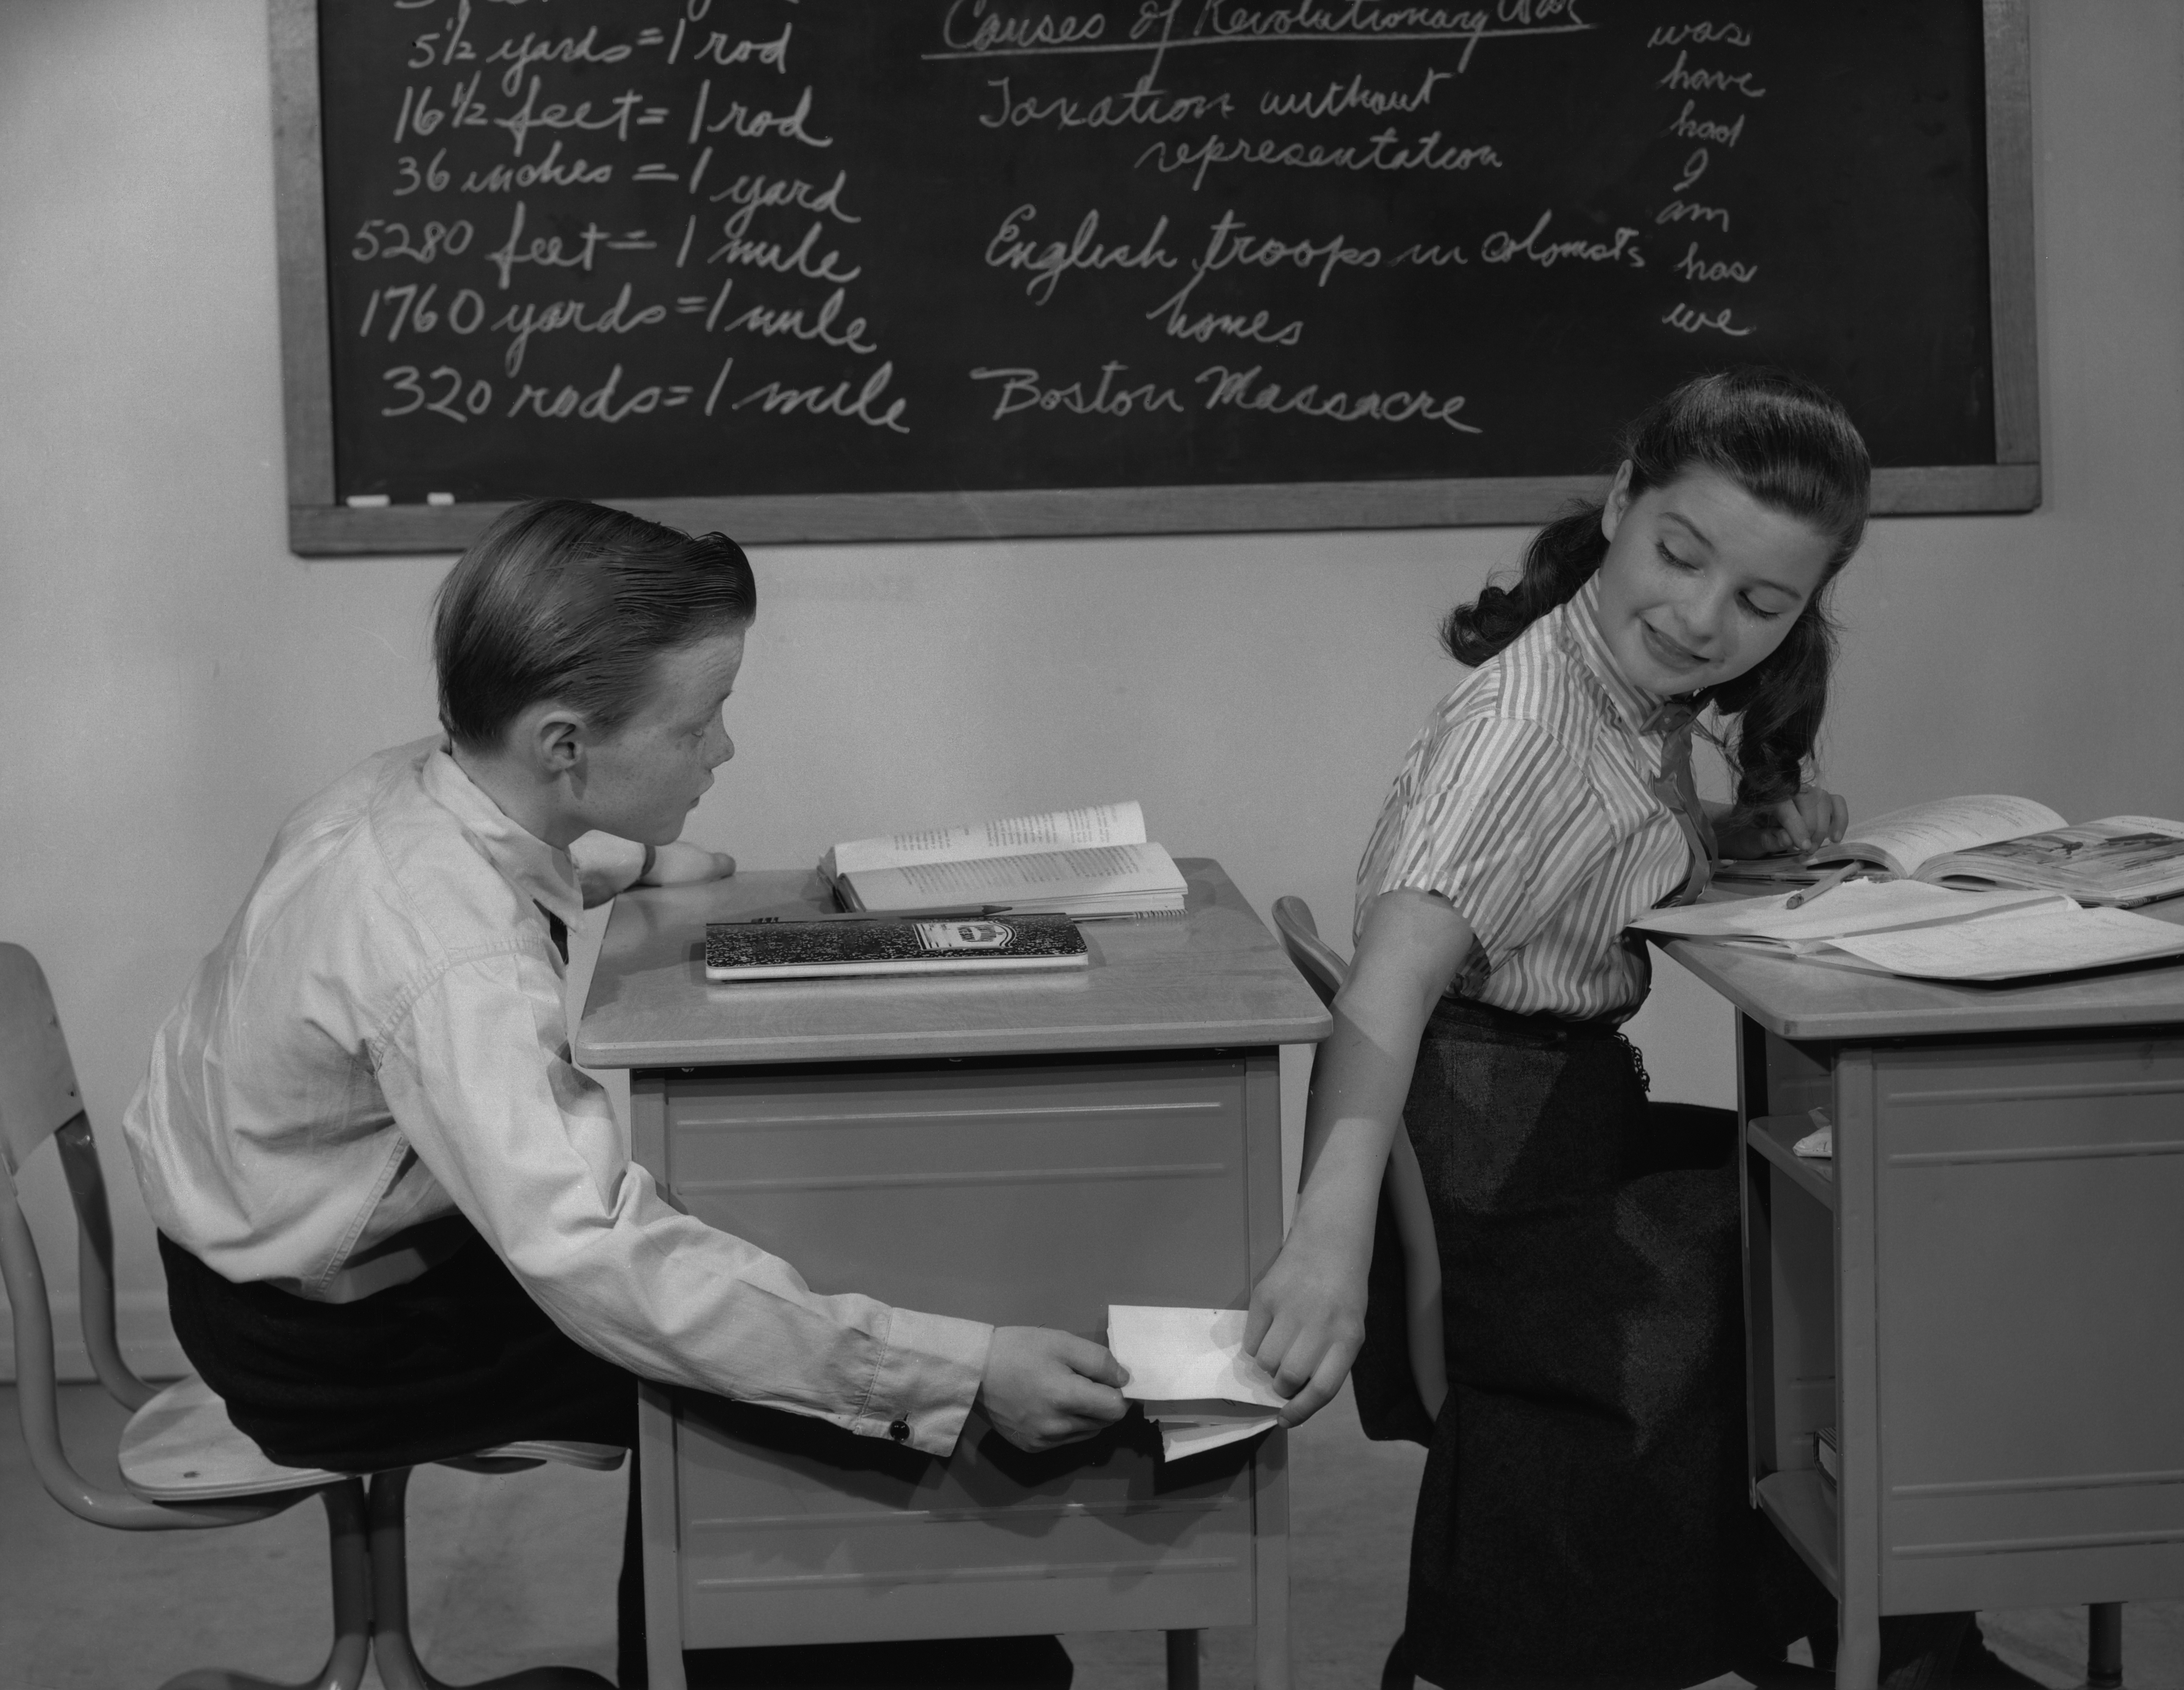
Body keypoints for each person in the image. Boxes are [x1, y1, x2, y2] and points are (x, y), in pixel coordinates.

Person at [123, 499, 1127, 1684]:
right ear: (564, 745)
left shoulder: (406, 791)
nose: (724, 753)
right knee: (753, 1379)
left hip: (256, 1264)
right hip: (329, 1342)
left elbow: (509, 857)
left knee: (760, 1298)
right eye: (700, 724)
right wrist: (958, 1369)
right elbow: (594, 1255)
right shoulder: (452, 960)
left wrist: (641, 859)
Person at [1244, 370, 2032, 1689]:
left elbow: (1564, 869)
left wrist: (1724, 838)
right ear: (1621, 500)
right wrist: (1322, 1245)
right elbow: (1389, 990)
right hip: (1492, 1179)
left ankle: (1887, 1628)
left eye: (1762, 604)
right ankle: (1877, 1639)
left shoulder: (1610, 680)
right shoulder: (1527, 730)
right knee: (1814, 1233)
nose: (1703, 618)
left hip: (1549, 1123)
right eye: (1680, 555)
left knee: (1827, 1197)